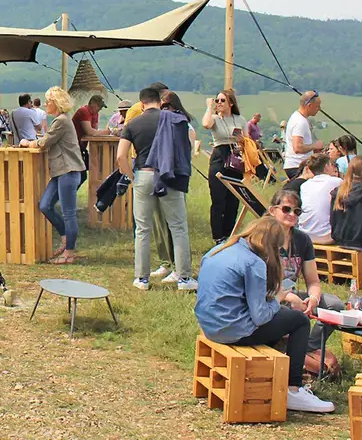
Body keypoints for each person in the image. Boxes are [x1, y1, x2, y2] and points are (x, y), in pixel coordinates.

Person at [193, 217, 335, 413]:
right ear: (272, 246)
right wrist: (278, 299)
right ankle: (293, 389)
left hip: (209, 326)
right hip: (232, 331)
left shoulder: (218, 250)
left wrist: (276, 301)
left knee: (282, 315)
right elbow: (260, 317)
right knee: (299, 321)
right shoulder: (254, 262)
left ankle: (267, 377)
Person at [117, 87, 197, 291]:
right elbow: (188, 141)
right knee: (178, 227)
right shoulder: (172, 119)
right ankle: (184, 279)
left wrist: (132, 177)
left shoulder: (133, 123)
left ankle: (142, 279)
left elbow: (120, 156)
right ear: (160, 102)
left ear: (142, 103)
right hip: (168, 174)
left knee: (143, 229)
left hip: (143, 174)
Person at [267, 189, 346, 371]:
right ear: (272, 211)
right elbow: (263, 283)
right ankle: (287, 346)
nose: (292, 215)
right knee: (288, 309)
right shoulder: (266, 238)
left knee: (335, 305)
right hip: (269, 295)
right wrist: (287, 297)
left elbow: (313, 281)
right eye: (286, 209)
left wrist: (313, 299)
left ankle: (305, 346)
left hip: (291, 294)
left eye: (297, 211)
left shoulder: (302, 240)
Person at [21, 86, 85, 265]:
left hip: (68, 171)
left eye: (48, 101)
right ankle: (66, 238)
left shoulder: (62, 121)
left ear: (56, 103)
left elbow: (44, 142)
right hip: (60, 172)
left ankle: (69, 254)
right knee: (45, 205)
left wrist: (27, 142)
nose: (45, 104)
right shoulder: (61, 120)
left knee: (68, 214)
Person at [202, 89, 249, 243]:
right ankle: (218, 236)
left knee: (233, 199)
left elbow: (248, 140)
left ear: (231, 103)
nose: (219, 103)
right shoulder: (215, 118)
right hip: (220, 156)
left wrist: (241, 139)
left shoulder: (240, 119)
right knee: (218, 199)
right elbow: (206, 124)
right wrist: (209, 107)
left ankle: (229, 234)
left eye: (222, 100)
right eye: (217, 100)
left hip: (236, 157)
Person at [298, 153, 341, 244]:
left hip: (305, 234)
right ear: (326, 167)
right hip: (327, 235)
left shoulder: (304, 185)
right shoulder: (336, 182)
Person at [282, 91, 324, 179]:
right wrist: (315, 146)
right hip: (297, 166)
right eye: (317, 106)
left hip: (296, 165)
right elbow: (297, 148)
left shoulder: (299, 118)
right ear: (309, 105)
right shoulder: (300, 122)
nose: (319, 109)